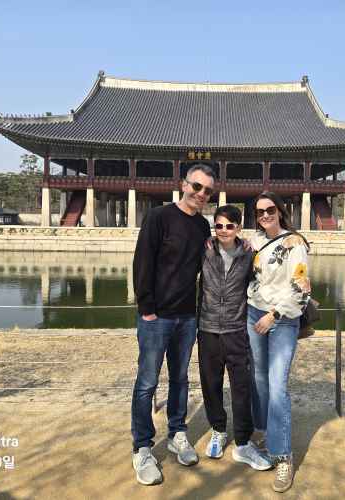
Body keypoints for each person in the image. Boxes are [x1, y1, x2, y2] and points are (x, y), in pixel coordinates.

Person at [131, 164, 215, 486]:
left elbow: (213, 261)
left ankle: (177, 433)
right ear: (184, 184)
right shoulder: (159, 217)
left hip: (186, 316)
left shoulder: (204, 226)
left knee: (180, 379)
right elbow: (142, 262)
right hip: (157, 316)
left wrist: (244, 245)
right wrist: (146, 308)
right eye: (197, 186)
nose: (201, 194)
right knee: (147, 383)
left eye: (207, 190)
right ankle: (141, 447)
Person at [197, 204, 272, 471]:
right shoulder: (204, 250)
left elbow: (266, 281)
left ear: (239, 228)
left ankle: (243, 442)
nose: (224, 231)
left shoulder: (248, 254)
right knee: (211, 384)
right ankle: (218, 430)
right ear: (214, 228)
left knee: (241, 387)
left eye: (230, 226)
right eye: (219, 225)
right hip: (207, 329)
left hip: (236, 330)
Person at [247, 191, 311, 493]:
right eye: (259, 212)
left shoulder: (294, 243)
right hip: (253, 313)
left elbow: (301, 286)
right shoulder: (256, 241)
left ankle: (283, 454)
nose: (264, 216)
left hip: (281, 319)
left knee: (277, 385)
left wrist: (273, 315)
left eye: (269, 210)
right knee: (258, 377)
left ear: (280, 211)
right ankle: (264, 431)